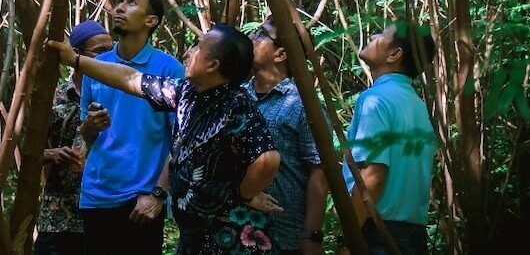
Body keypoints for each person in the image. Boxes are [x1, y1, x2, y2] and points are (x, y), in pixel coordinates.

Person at [49, 23, 283, 255]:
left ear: (213, 65)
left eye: (198, 47)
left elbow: (267, 159)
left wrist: (245, 195)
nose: (189, 52)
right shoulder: (187, 93)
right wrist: (76, 61)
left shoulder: (237, 105)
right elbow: (131, 78)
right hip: (195, 236)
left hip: (229, 239)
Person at [77, 0, 183, 253]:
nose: (120, 7)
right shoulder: (96, 67)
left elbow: (180, 141)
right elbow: (85, 136)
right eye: (120, 1)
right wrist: (89, 127)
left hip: (142, 199)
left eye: (132, 2)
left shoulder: (169, 69)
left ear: (151, 21)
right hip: (96, 196)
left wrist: (158, 194)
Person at [341, 20, 437, 255]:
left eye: (382, 35)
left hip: (379, 234)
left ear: (394, 54)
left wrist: (347, 240)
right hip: (413, 235)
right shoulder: (417, 105)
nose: (373, 35)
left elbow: (372, 176)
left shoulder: (376, 100)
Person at [244, 17, 328, 255]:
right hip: (233, 229)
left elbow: (320, 172)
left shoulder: (304, 105)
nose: (251, 37)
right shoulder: (237, 96)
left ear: (280, 55)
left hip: (283, 235)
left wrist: (311, 235)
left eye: (261, 34)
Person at [35, 20, 113, 254]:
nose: (109, 57)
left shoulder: (119, 97)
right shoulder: (53, 98)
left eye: (112, 50)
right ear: (75, 55)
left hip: (107, 212)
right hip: (61, 215)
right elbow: (24, 153)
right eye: (100, 52)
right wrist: (53, 154)